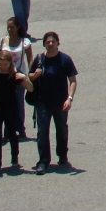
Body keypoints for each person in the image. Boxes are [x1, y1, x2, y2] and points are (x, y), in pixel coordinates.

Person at [29, 32, 78, 175]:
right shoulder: (39, 59)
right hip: (42, 102)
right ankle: (43, 162)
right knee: (42, 131)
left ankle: (62, 155)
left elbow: (73, 81)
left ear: (57, 43)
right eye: (48, 42)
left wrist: (69, 98)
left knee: (61, 129)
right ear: (44, 44)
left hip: (61, 102)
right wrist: (35, 75)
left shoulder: (65, 59)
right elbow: (30, 76)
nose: (50, 44)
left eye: (53, 42)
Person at [0, 50, 34, 177]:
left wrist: (24, 78)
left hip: (11, 108)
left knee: (11, 134)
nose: (3, 67)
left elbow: (30, 88)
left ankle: (14, 157)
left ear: (10, 63)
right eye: (1, 64)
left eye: (5, 64)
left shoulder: (14, 75)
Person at [0, 17, 33, 138]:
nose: (9, 29)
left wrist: (31, 74)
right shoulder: (3, 41)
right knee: (6, 104)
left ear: (18, 27)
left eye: (12, 27)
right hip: (5, 76)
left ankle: (20, 128)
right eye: (8, 27)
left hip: (19, 75)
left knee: (18, 103)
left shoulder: (24, 42)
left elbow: (30, 59)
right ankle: (8, 130)